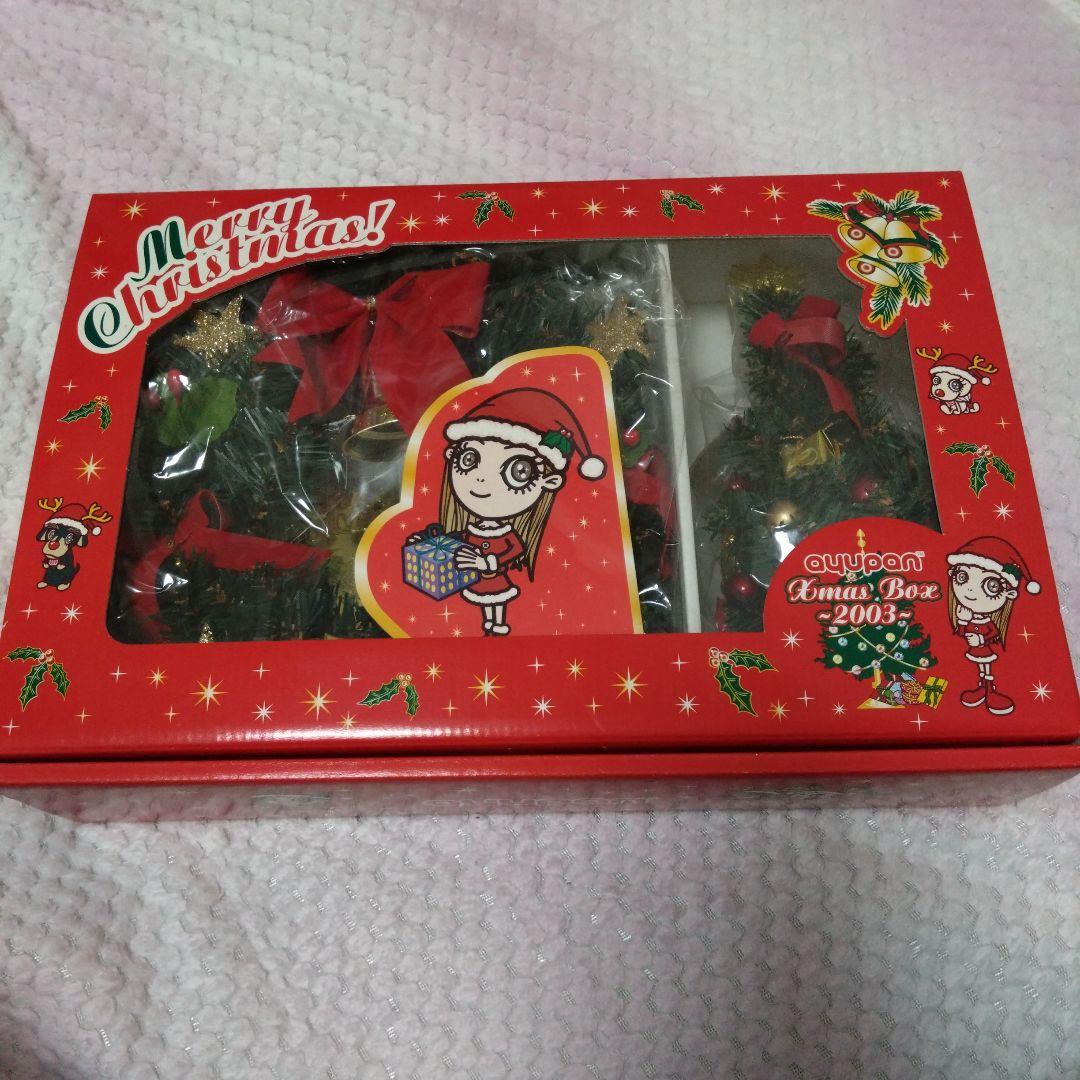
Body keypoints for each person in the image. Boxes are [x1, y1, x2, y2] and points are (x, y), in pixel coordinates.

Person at [945, 536, 1040, 716]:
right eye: (962, 577)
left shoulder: (988, 621)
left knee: (986, 668)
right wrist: (963, 621)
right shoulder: (968, 615)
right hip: (975, 650)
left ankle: (989, 689)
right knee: (981, 668)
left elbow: (993, 634)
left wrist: (980, 639)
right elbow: (962, 633)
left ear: (1010, 594)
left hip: (984, 650)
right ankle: (983, 687)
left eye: (992, 585)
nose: (970, 590)